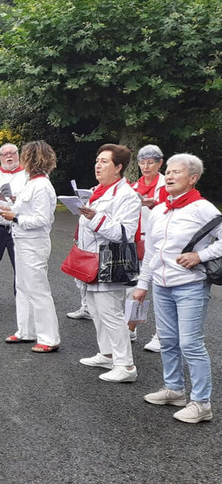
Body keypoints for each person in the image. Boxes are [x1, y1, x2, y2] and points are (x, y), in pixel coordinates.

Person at [132, 154, 222, 423]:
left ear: (193, 178)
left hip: (190, 285)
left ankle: (202, 403)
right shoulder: (159, 210)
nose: (169, 176)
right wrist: (142, 284)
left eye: (176, 172)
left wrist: (199, 256)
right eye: (168, 172)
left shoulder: (203, 208)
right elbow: (151, 251)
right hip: (162, 285)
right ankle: (174, 390)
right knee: (168, 340)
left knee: (190, 344)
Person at [76, 144, 142, 383]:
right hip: (92, 260)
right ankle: (107, 354)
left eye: (104, 162)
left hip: (111, 261)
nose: (98, 165)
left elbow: (125, 233)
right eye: (97, 160)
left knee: (111, 313)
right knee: (95, 309)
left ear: (118, 168)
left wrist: (95, 218)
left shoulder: (127, 196)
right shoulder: (96, 191)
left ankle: (126, 365)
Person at [0, 141, 61, 353]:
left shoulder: (41, 185)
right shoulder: (32, 183)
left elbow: (42, 219)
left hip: (34, 242)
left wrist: (15, 217)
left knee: (38, 289)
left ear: (31, 159)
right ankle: (26, 330)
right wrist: (11, 208)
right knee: (23, 287)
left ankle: (49, 337)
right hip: (23, 240)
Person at [131, 145, 167, 352]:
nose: (146, 167)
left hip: (159, 242)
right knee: (134, 289)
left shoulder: (166, 185)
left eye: (151, 162)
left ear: (160, 163)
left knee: (162, 291)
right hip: (137, 241)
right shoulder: (134, 187)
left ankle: (161, 335)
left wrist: (155, 206)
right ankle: (131, 327)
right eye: (142, 162)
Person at [0, 143, 27, 300]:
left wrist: (17, 199)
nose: (9, 156)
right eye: (5, 154)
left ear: (18, 155)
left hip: (17, 225)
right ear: (0, 157)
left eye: (12, 153)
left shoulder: (27, 175)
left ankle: (20, 296)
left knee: (20, 264)